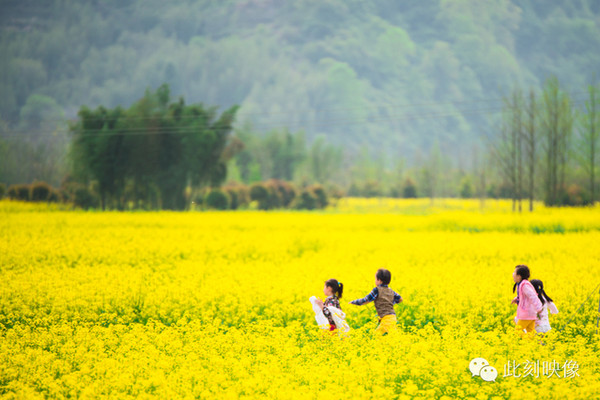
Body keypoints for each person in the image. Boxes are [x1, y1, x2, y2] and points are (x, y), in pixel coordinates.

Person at [349, 268, 403, 334]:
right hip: (392, 318)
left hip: (387, 320)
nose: (375, 280)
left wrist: (353, 302)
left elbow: (365, 300)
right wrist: (390, 303)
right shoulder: (391, 291)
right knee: (387, 338)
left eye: (375, 279)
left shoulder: (377, 290)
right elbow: (400, 299)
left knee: (378, 337)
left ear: (379, 280)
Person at [511, 265, 543, 335]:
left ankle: (527, 343)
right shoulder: (523, 284)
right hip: (531, 314)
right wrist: (516, 299)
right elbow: (524, 296)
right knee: (530, 333)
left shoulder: (525, 285)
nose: (512, 274)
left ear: (519, 276)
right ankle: (534, 344)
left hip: (526, 314)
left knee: (517, 332)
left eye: (514, 272)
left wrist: (539, 307)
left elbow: (533, 296)